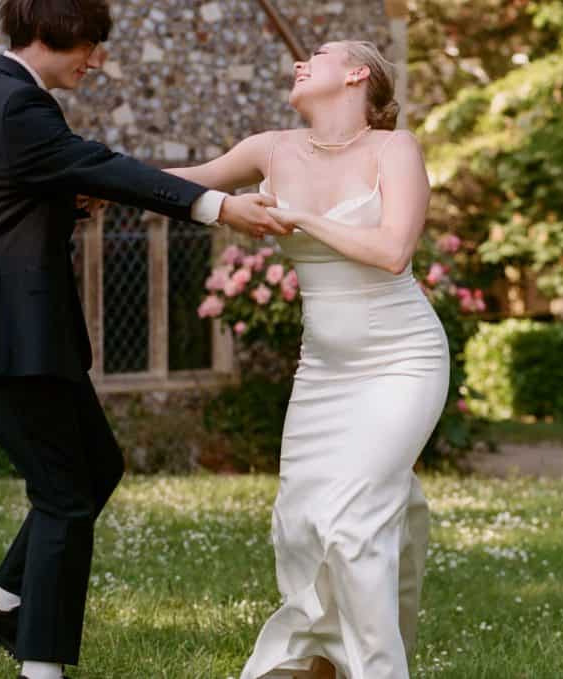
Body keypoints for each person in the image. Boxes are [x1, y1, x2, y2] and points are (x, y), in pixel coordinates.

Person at [0, 2, 288, 678]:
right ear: (47, 36)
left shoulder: (14, 103)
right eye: (89, 47)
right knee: (65, 492)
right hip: (3, 336)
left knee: (96, 466)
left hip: (33, 333)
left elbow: (40, 188)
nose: (95, 61)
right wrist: (218, 207)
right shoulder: (17, 107)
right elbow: (102, 164)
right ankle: (40, 663)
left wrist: (69, 198)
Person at [166, 41, 450, 678]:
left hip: (402, 359)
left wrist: (299, 216)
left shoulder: (393, 150)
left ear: (358, 74)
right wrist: (92, 177)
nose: (300, 62)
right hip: (323, 369)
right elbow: (186, 182)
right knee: (298, 523)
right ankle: (323, 658)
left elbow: (393, 250)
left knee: (353, 527)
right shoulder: (271, 148)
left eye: (318, 54)